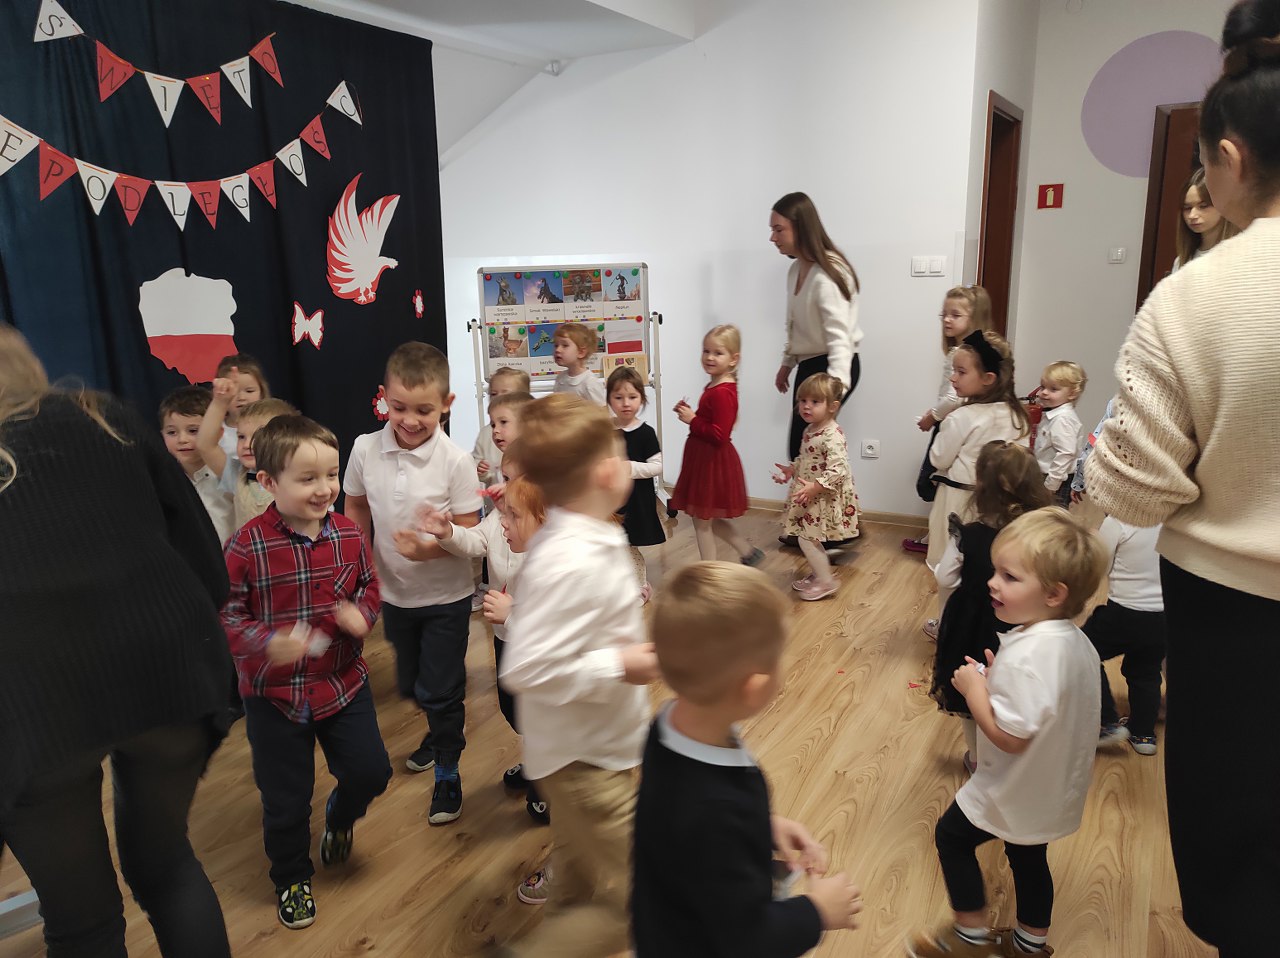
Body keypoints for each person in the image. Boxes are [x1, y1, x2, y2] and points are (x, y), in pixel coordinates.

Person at [1085, 4, 1280, 947]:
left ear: (1230, 158)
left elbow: (1135, 490)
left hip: (1236, 615)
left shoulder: (1195, 294)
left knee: (1245, 858)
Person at [0, 326, 233, 958]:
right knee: (168, 865)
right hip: (167, 668)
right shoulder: (103, 417)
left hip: (31, 703)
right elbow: (205, 565)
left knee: (83, 921)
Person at [496, 394, 659, 957]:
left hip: (594, 750)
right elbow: (526, 666)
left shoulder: (592, 536)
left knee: (578, 881)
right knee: (657, 889)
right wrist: (621, 663)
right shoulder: (569, 557)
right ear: (606, 472)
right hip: (582, 764)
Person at [633, 561, 864, 956]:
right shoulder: (715, 809)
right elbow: (746, 939)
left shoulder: (671, 725)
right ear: (754, 687)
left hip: (665, 922)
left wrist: (762, 824)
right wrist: (817, 912)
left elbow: (686, 828)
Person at [907, 508, 1108, 958]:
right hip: (1051, 785)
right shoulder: (1073, 641)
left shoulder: (1029, 656)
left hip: (1014, 785)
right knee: (1028, 857)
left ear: (1054, 593)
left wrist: (975, 690)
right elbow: (1048, 703)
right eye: (996, 571)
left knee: (951, 838)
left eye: (1009, 577)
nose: (992, 583)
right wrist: (1001, 679)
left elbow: (1010, 738)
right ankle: (1029, 946)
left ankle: (969, 939)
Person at [221, 414, 388, 931]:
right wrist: (266, 643)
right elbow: (225, 613)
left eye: (332, 475)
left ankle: (340, 817)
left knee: (371, 773)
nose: (324, 489)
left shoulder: (349, 534)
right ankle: (292, 876)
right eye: (308, 478)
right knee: (286, 799)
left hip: (343, 683)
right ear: (269, 482)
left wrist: (364, 615)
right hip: (276, 696)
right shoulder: (246, 545)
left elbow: (369, 586)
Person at [343, 342, 482, 824]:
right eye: (399, 407)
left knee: (442, 690)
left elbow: (471, 531)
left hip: (446, 597)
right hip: (393, 595)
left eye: (424, 410)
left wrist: (428, 549)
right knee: (413, 686)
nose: (409, 420)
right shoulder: (364, 448)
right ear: (383, 397)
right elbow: (355, 504)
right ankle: (436, 726)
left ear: (447, 404)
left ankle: (448, 768)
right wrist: (359, 557)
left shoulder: (456, 461)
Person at [930, 441, 1051, 773]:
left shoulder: (968, 535)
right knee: (1014, 690)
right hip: (1024, 624)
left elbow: (944, 577)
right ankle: (1017, 752)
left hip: (972, 626)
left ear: (982, 486)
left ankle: (977, 757)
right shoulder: (1041, 536)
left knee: (971, 694)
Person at [923, 331, 1030, 638]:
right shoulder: (1017, 416)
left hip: (958, 501)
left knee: (950, 568)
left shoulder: (962, 417)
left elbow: (939, 458)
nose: (953, 378)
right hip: (1001, 505)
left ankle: (947, 626)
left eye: (961, 371)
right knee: (987, 567)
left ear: (988, 378)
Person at [768, 191, 863, 461]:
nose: (773, 237)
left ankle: (827, 490)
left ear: (800, 228)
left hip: (833, 365)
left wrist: (835, 391)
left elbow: (839, 339)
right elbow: (795, 324)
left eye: (779, 229)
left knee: (811, 449)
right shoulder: (796, 270)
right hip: (809, 365)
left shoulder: (828, 274)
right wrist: (788, 363)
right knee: (801, 449)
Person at [906, 286, 994, 554]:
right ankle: (938, 535)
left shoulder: (963, 353)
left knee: (930, 481)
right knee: (940, 483)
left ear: (975, 318)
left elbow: (954, 397)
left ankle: (943, 538)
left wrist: (932, 417)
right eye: (943, 314)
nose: (946, 320)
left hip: (952, 425)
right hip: (954, 423)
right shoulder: (959, 351)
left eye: (955, 315)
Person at [670, 325, 764, 565]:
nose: (710, 357)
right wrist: (693, 415)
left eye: (717, 353)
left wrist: (693, 420)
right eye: (706, 351)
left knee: (702, 521)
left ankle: (708, 571)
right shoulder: (715, 386)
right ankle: (747, 552)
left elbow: (719, 434)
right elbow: (711, 422)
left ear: (734, 359)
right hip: (704, 458)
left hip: (711, 461)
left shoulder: (722, 391)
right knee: (705, 517)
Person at [772, 372, 858, 602]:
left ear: (832, 406)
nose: (806, 406)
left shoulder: (832, 435)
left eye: (815, 401)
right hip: (811, 494)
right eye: (803, 401)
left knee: (806, 538)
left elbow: (838, 469)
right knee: (809, 537)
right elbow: (807, 458)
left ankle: (826, 581)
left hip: (822, 496)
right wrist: (792, 469)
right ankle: (820, 573)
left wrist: (817, 486)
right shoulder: (810, 430)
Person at [1084, 518, 1167, 755]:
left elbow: (1101, 566)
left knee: (1084, 650)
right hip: (1162, 616)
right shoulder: (1172, 520)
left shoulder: (1118, 521)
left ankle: (1106, 722)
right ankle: (1143, 734)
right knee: (1147, 672)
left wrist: (1093, 540)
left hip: (1124, 612)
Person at [197, 389, 297, 532]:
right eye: (241, 437)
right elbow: (205, 445)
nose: (246, 445)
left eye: (258, 436)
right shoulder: (237, 474)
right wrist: (220, 403)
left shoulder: (299, 478)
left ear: (286, 440)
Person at [607, 365, 665, 602]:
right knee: (613, 545)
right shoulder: (606, 429)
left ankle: (640, 586)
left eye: (632, 397)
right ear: (609, 399)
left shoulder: (645, 432)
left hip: (636, 500)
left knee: (629, 546)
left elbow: (657, 466)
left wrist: (629, 468)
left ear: (641, 398)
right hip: (611, 501)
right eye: (618, 397)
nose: (626, 403)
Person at [160, 384, 234, 543]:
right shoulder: (164, 480)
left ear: (217, 433)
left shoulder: (227, 470)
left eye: (193, 431)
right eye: (172, 432)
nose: (182, 439)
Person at [1033, 361, 1086, 508]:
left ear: (1072, 394)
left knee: (1051, 515)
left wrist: (1051, 485)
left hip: (1057, 480)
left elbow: (1066, 453)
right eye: (1042, 387)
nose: (1044, 392)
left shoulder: (1062, 420)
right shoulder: (1053, 414)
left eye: (1053, 389)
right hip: (1049, 476)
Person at [1172, 166, 1238, 271]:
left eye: (1203, 206)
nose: (1192, 215)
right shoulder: (1182, 261)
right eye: (1187, 208)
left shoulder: (1240, 256)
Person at [474, 367, 531, 487]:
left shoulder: (534, 447)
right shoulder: (486, 434)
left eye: (506, 394)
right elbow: (475, 464)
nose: (495, 430)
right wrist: (481, 471)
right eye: (494, 394)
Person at [211, 353, 270, 461]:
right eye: (232, 392)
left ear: (262, 393)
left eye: (249, 391)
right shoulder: (214, 429)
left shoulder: (271, 426)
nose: (241, 398)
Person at [551, 322, 607, 404]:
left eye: (565, 345)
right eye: (556, 345)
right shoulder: (560, 379)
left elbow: (601, 410)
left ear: (581, 352)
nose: (557, 350)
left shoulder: (589, 383)